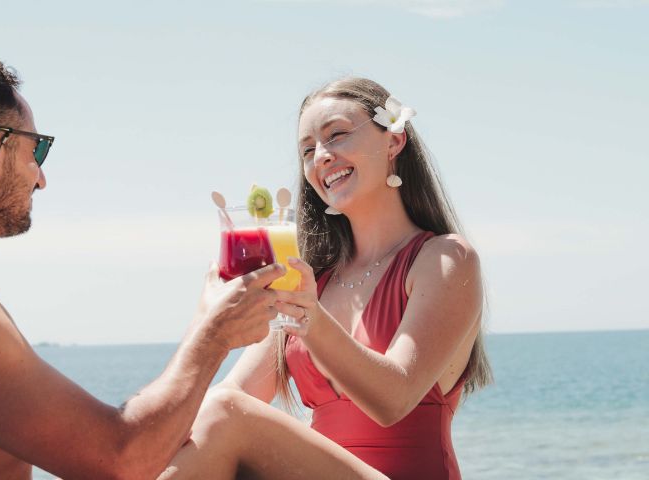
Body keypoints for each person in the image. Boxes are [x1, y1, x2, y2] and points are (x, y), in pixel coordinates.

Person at [0, 55, 286, 480]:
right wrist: (213, 335)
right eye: (38, 150)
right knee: (230, 419)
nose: (41, 177)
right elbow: (123, 461)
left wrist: (208, 325)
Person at [159, 78, 493, 480]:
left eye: (336, 135)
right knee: (212, 413)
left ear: (394, 141)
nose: (321, 156)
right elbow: (234, 396)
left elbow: (394, 399)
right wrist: (210, 323)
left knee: (223, 413)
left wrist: (310, 319)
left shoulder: (446, 259)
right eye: (307, 150)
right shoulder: (311, 280)